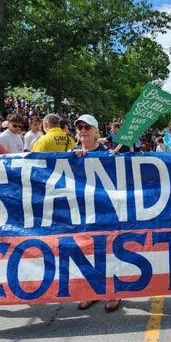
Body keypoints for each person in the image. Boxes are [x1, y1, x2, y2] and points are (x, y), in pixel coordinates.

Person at [73, 114, 122, 312]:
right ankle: (90, 291)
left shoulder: (108, 154)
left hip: (106, 212)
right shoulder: (71, 155)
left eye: (87, 127)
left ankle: (112, 292)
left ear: (96, 131)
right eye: (79, 127)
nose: (83, 130)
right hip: (82, 213)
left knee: (108, 251)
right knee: (85, 251)